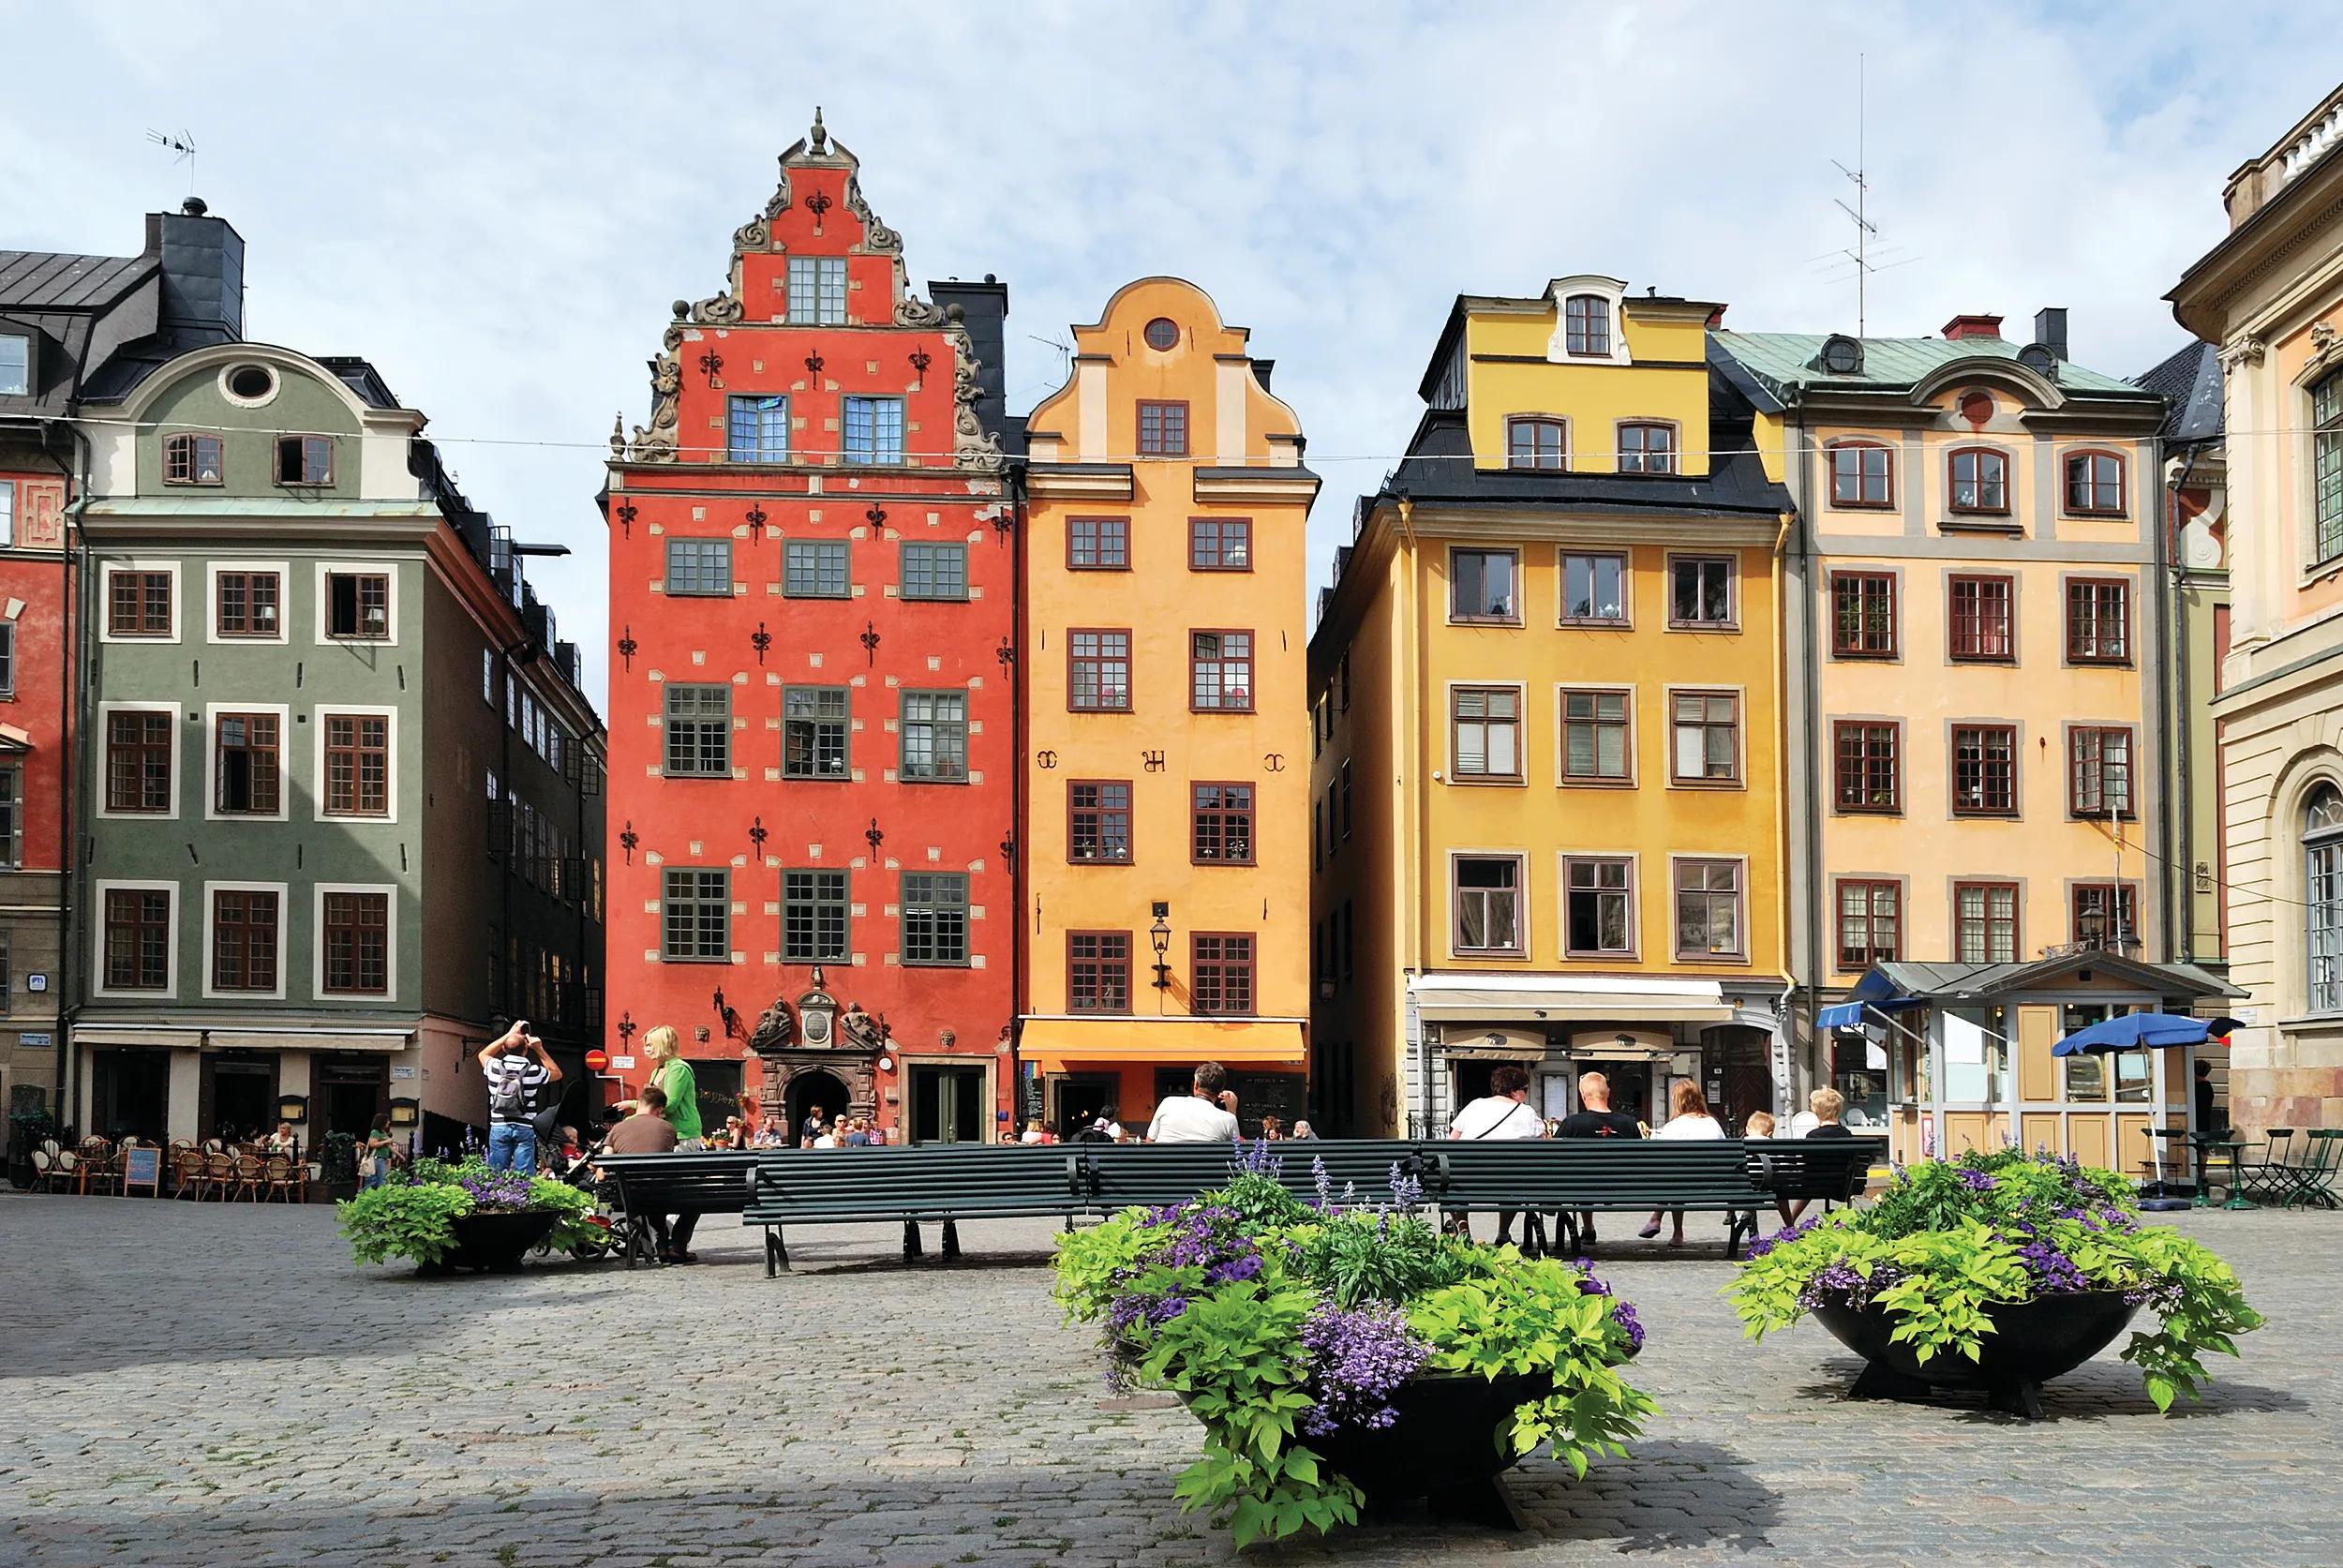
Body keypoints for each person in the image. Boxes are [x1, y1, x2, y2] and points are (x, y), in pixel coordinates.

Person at [1449, 1065, 1547, 1252]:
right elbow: (1543, 1147)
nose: (1526, 1094)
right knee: (1514, 1178)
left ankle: (1463, 1232)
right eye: (1525, 1090)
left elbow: (1452, 1141)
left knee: (1454, 1182)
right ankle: (1503, 1233)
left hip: (1468, 1181)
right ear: (1514, 1092)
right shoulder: (1526, 1112)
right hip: (1509, 1182)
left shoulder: (1475, 1105)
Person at [603, 1085, 702, 1264]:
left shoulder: (617, 1129)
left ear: (639, 1103)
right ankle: (676, 1246)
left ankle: (661, 1247)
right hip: (660, 1192)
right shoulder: (668, 1128)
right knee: (692, 1200)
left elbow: (603, 1167)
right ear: (660, 1110)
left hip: (629, 1195)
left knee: (649, 1196)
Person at [1555, 1071, 1644, 1247]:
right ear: (1608, 1093)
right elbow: (1640, 1159)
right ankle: (1588, 1230)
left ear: (1582, 1096)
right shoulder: (1628, 1123)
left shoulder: (1572, 1123)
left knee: (1582, 1176)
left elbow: (1553, 1158)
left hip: (1580, 1185)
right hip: (1623, 1187)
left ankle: (1588, 1229)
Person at [1638, 1080, 1724, 1244]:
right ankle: (1666, 1226)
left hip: (1680, 1183)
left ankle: (1662, 1222)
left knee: (1674, 1175)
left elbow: (1661, 1157)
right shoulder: (1713, 1123)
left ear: (1677, 1101)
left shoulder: (1674, 1126)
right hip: (1712, 1183)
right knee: (1678, 1175)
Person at [478, 1019, 561, 1173]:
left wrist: (509, 1034)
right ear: (526, 1049)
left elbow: (483, 1054)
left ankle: (495, 1196)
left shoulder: (494, 1067)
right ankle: (523, 1195)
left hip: (499, 1125)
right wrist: (539, 1049)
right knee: (523, 1174)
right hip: (525, 1125)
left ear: (503, 1049)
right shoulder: (534, 1071)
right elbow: (557, 1074)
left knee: (496, 1172)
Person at [1145, 1061, 1242, 1143]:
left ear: (1196, 1085)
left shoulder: (1168, 1103)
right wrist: (1232, 1111)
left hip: (1163, 1165)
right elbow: (1236, 1150)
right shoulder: (1228, 1119)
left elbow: (1149, 1141)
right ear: (1220, 1090)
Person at [360, 1113, 399, 1190]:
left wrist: (399, 1155)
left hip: (383, 1159)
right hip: (377, 1158)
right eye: (387, 1121)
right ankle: (364, 1194)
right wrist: (386, 1141)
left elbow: (389, 1146)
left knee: (377, 1180)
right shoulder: (375, 1132)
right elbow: (373, 1144)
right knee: (380, 1180)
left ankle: (366, 1194)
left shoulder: (383, 1133)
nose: (389, 1122)